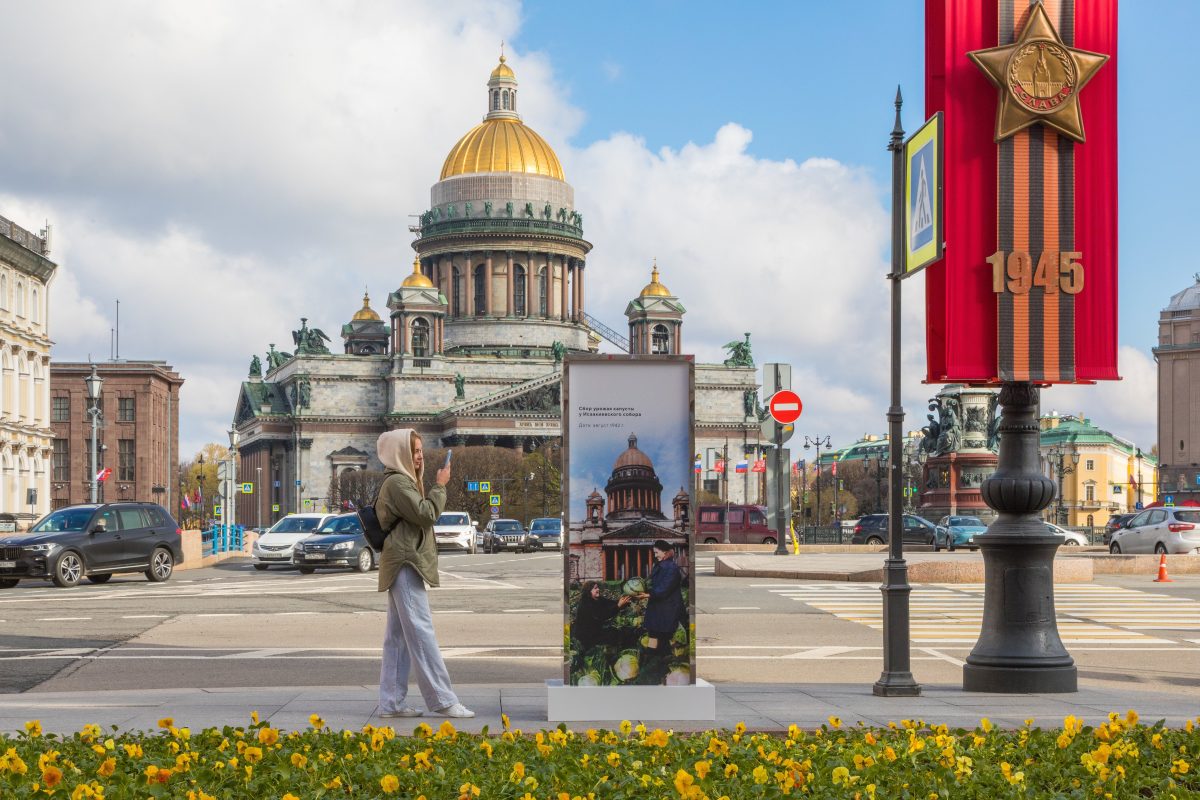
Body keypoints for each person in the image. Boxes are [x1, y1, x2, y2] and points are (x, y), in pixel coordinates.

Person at [375, 429, 473, 719]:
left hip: (404, 561)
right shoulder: (397, 483)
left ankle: (391, 703)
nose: (420, 457)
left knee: (399, 637)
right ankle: (443, 700)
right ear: (400, 453)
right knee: (420, 632)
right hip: (405, 563)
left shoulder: (403, 481)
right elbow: (427, 514)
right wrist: (440, 485)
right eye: (414, 451)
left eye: (420, 451)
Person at [636, 540, 686, 653]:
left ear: (664, 552)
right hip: (661, 607)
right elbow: (656, 584)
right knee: (657, 636)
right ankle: (653, 661)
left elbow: (665, 587)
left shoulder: (670, 567)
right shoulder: (664, 565)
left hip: (666, 609)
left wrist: (649, 594)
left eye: (656, 552)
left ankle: (653, 661)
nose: (655, 555)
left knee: (659, 637)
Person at [573, 581, 632, 651]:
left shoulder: (598, 599)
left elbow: (611, 603)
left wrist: (625, 601)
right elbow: (603, 615)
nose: (598, 589)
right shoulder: (585, 603)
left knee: (617, 633)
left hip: (596, 631)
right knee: (614, 635)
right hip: (587, 636)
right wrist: (618, 606)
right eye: (595, 588)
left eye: (597, 587)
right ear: (589, 591)